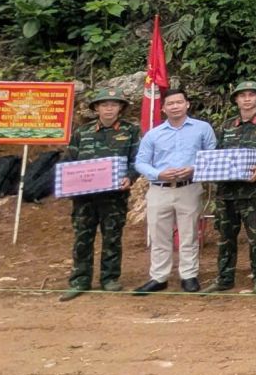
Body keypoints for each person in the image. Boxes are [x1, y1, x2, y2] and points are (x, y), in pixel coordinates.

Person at [133, 86, 216, 293]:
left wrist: (194, 168)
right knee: (159, 235)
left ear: (187, 104)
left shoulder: (202, 128)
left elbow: (212, 155)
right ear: (163, 108)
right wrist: (158, 174)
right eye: (170, 103)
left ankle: (189, 275)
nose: (175, 106)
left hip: (189, 187)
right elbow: (141, 162)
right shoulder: (153, 134)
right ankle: (159, 277)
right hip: (159, 188)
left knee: (189, 234)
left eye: (179, 102)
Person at [60, 87, 139, 301]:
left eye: (114, 104)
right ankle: (80, 280)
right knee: (82, 237)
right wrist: (66, 183)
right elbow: (69, 161)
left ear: (120, 108)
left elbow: (136, 159)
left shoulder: (130, 131)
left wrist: (130, 177)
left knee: (112, 237)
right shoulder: (82, 132)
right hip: (83, 197)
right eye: (104, 105)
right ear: (96, 108)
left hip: (114, 196)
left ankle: (109, 278)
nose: (109, 109)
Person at [205, 80, 256, 295]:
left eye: (251, 95)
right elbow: (216, 154)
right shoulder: (227, 126)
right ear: (236, 100)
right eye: (242, 95)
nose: (247, 99)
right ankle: (224, 277)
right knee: (225, 236)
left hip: (254, 192)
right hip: (226, 192)